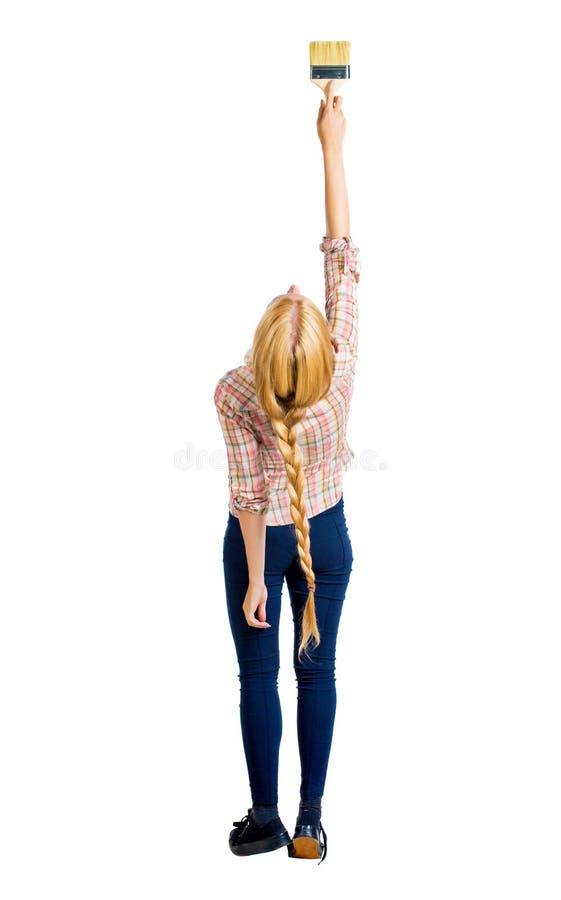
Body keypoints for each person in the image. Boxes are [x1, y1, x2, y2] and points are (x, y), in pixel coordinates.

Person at [213, 79, 361, 863]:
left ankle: (263, 816)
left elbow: (245, 496)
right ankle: (309, 824)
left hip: (259, 548)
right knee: (317, 670)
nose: (298, 289)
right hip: (325, 538)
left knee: (255, 678)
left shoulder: (235, 389)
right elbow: (339, 258)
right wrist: (331, 146)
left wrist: (252, 580)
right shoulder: (336, 378)